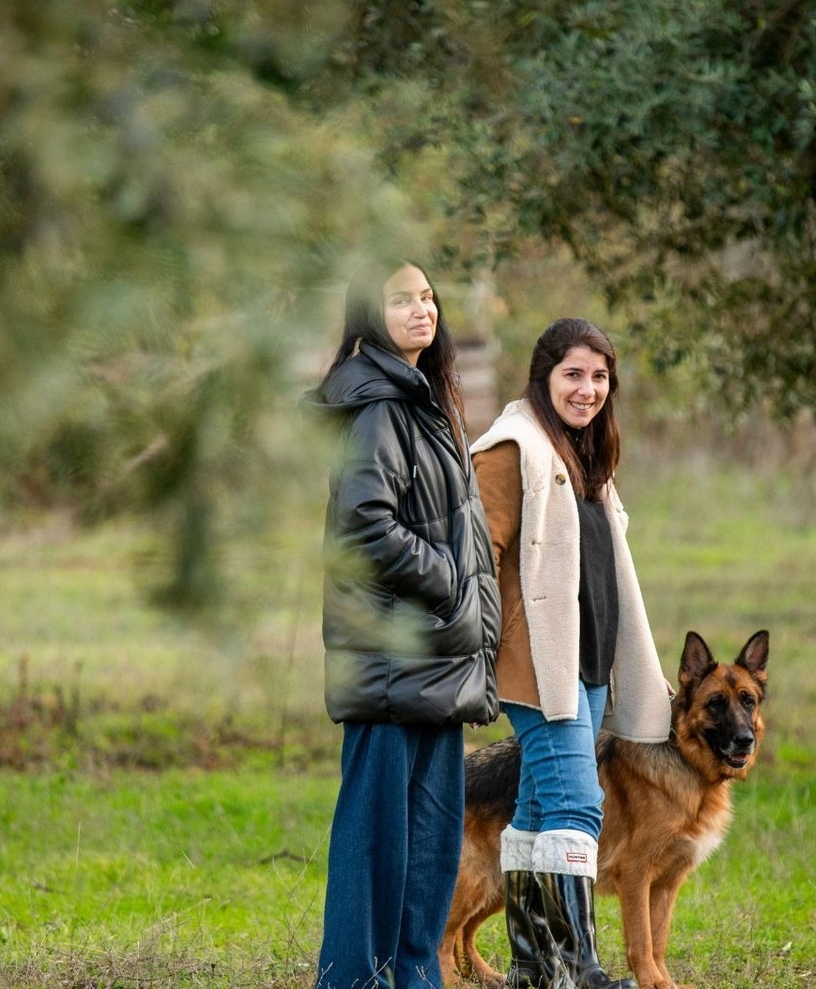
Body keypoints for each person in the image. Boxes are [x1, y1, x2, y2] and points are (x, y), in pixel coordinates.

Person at [309, 260, 502, 989]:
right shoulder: (379, 408)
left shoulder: (424, 400)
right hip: (391, 661)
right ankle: (355, 978)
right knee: (376, 843)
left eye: (427, 296)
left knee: (427, 845)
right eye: (401, 299)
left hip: (436, 662)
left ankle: (413, 975)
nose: (423, 309)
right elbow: (364, 526)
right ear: (369, 313)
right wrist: (450, 580)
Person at [469, 318, 673, 989]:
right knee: (579, 805)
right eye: (573, 374)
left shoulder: (584, 455)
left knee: (535, 811)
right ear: (544, 375)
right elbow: (475, 557)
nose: (587, 389)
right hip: (537, 669)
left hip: (587, 666)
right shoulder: (510, 447)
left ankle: (534, 967)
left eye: (599, 377)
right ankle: (579, 966)